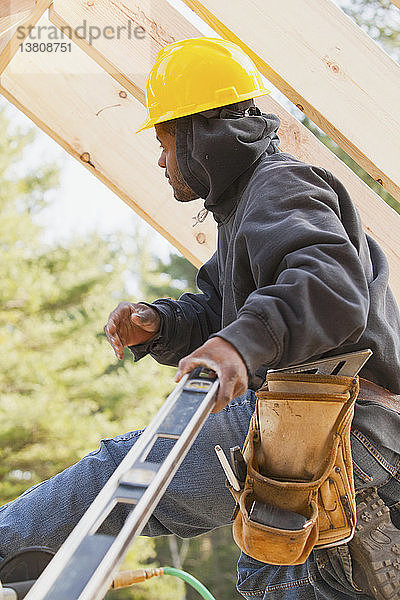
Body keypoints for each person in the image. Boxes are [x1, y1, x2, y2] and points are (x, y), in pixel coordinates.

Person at [0, 37, 400, 600]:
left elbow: (329, 287)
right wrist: (162, 323)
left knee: (124, 477)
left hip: (335, 419)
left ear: (202, 134)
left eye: (165, 142)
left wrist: (240, 348)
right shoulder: (248, 210)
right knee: (274, 579)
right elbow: (218, 306)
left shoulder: (281, 185)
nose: (160, 160)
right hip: (333, 435)